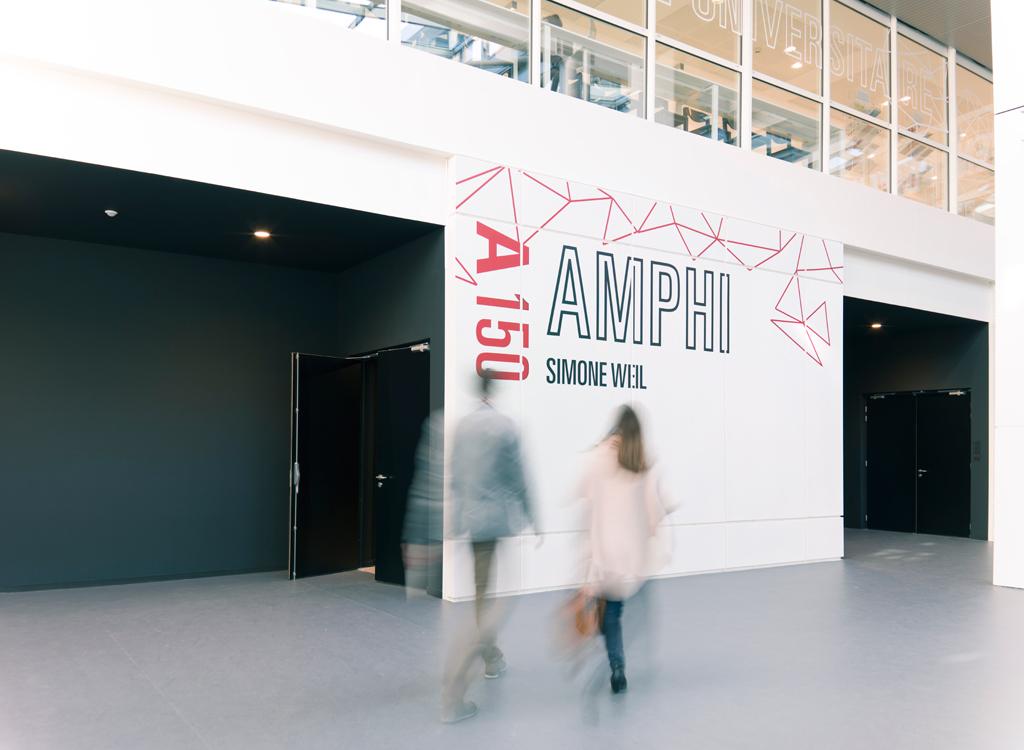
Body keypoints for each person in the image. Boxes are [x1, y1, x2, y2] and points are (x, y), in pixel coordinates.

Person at [442, 370, 538, 723]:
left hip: (471, 521)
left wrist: (453, 523)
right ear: (493, 391)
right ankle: (462, 682)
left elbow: (454, 476)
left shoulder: (463, 428)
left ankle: (493, 657)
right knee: (494, 602)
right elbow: (518, 476)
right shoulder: (504, 427)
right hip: (496, 522)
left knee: (484, 593)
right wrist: (533, 516)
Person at [578, 405, 669, 694]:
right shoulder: (642, 460)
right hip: (632, 557)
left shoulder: (600, 458)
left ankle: (615, 660)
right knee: (619, 611)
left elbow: (588, 503)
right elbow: (654, 515)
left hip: (605, 553)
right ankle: (618, 663)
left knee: (609, 616)